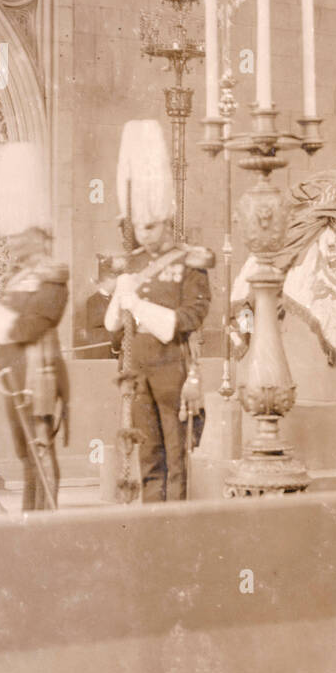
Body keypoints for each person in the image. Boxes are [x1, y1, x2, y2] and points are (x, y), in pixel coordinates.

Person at [103, 120, 212, 503]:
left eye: (149, 226)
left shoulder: (189, 261)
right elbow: (113, 327)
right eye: (138, 227)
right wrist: (120, 297)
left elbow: (188, 319)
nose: (143, 234)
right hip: (137, 370)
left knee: (176, 456)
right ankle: (152, 523)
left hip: (173, 367)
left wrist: (138, 304)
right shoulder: (130, 263)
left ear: (166, 221)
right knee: (148, 454)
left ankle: (177, 527)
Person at [0, 142, 69, 511]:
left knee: (39, 445)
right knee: (26, 452)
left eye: (17, 234)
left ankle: (46, 514)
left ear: (37, 233)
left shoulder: (52, 276)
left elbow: (22, 329)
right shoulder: (16, 277)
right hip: (14, 373)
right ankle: (31, 511)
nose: (10, 241)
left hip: (36, 374)